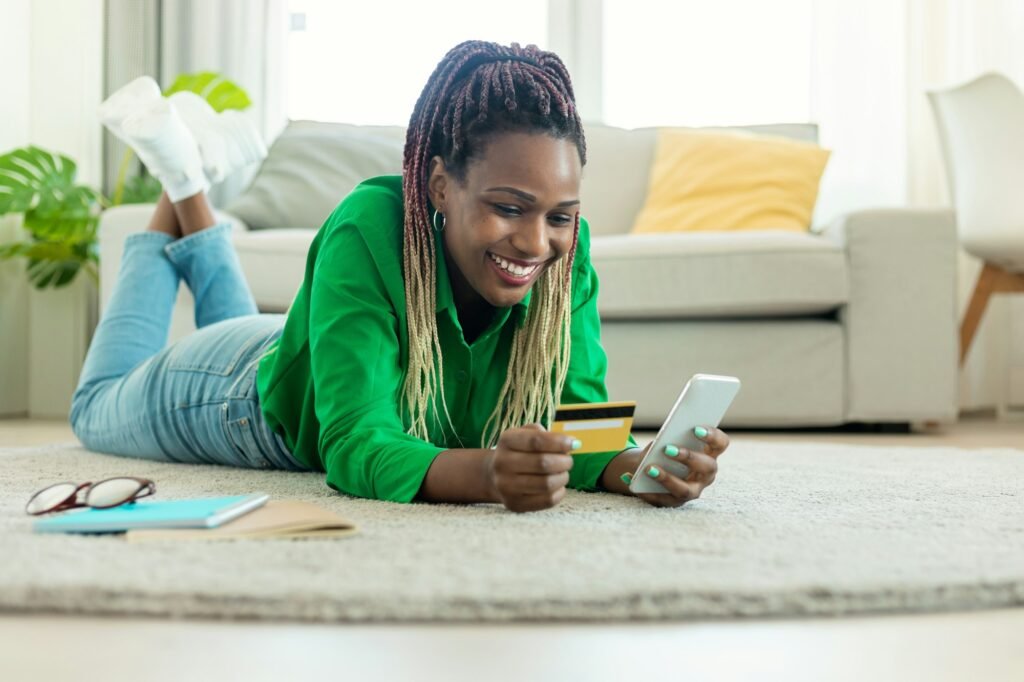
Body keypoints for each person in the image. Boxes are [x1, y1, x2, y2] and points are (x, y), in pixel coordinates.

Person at [72, 40, 730, 513]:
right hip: (237, 395)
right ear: (441, 186)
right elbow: (355, 443)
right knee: (95, 408)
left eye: (560, 215)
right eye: (508, 207)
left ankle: (186, 176)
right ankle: (178, 172)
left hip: (320, 355)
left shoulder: (567, 254)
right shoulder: (371, 224)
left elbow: (579, 420)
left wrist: (633, 466)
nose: (537, 241)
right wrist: (490, 474)